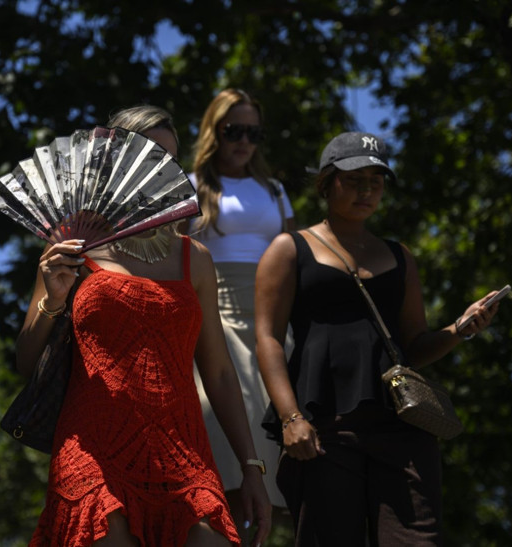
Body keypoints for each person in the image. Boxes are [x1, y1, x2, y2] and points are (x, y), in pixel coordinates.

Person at [16, 105, 271, 547]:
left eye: (170, 159)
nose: (161, 169)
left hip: (184, 452)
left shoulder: (196, 258)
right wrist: (54, 300)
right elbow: (25, 364)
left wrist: (252, 467)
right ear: (113, 162)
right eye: (149, 154)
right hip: (96, 448)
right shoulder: (71, 244)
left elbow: (221, 372)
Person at [254, 131, 501, 545]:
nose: (366, 190)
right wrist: (291, 417)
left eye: (376, 181)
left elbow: (413, 346)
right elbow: (268, 339)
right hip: (325, 428)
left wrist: (459, 330)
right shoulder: (289, 248)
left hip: (402, 426)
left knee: (418, 540)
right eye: (353, 180)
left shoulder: (399, 255)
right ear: (326, 183)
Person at [188, 88, 296, 539]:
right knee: (218, 419)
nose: (244, 142)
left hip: (272, 316)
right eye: (234, 131)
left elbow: (294, 255)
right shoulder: (192, 185)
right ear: (215, 131)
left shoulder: (274, 190)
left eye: (254, 132)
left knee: (277, 428)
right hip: (215, 311)